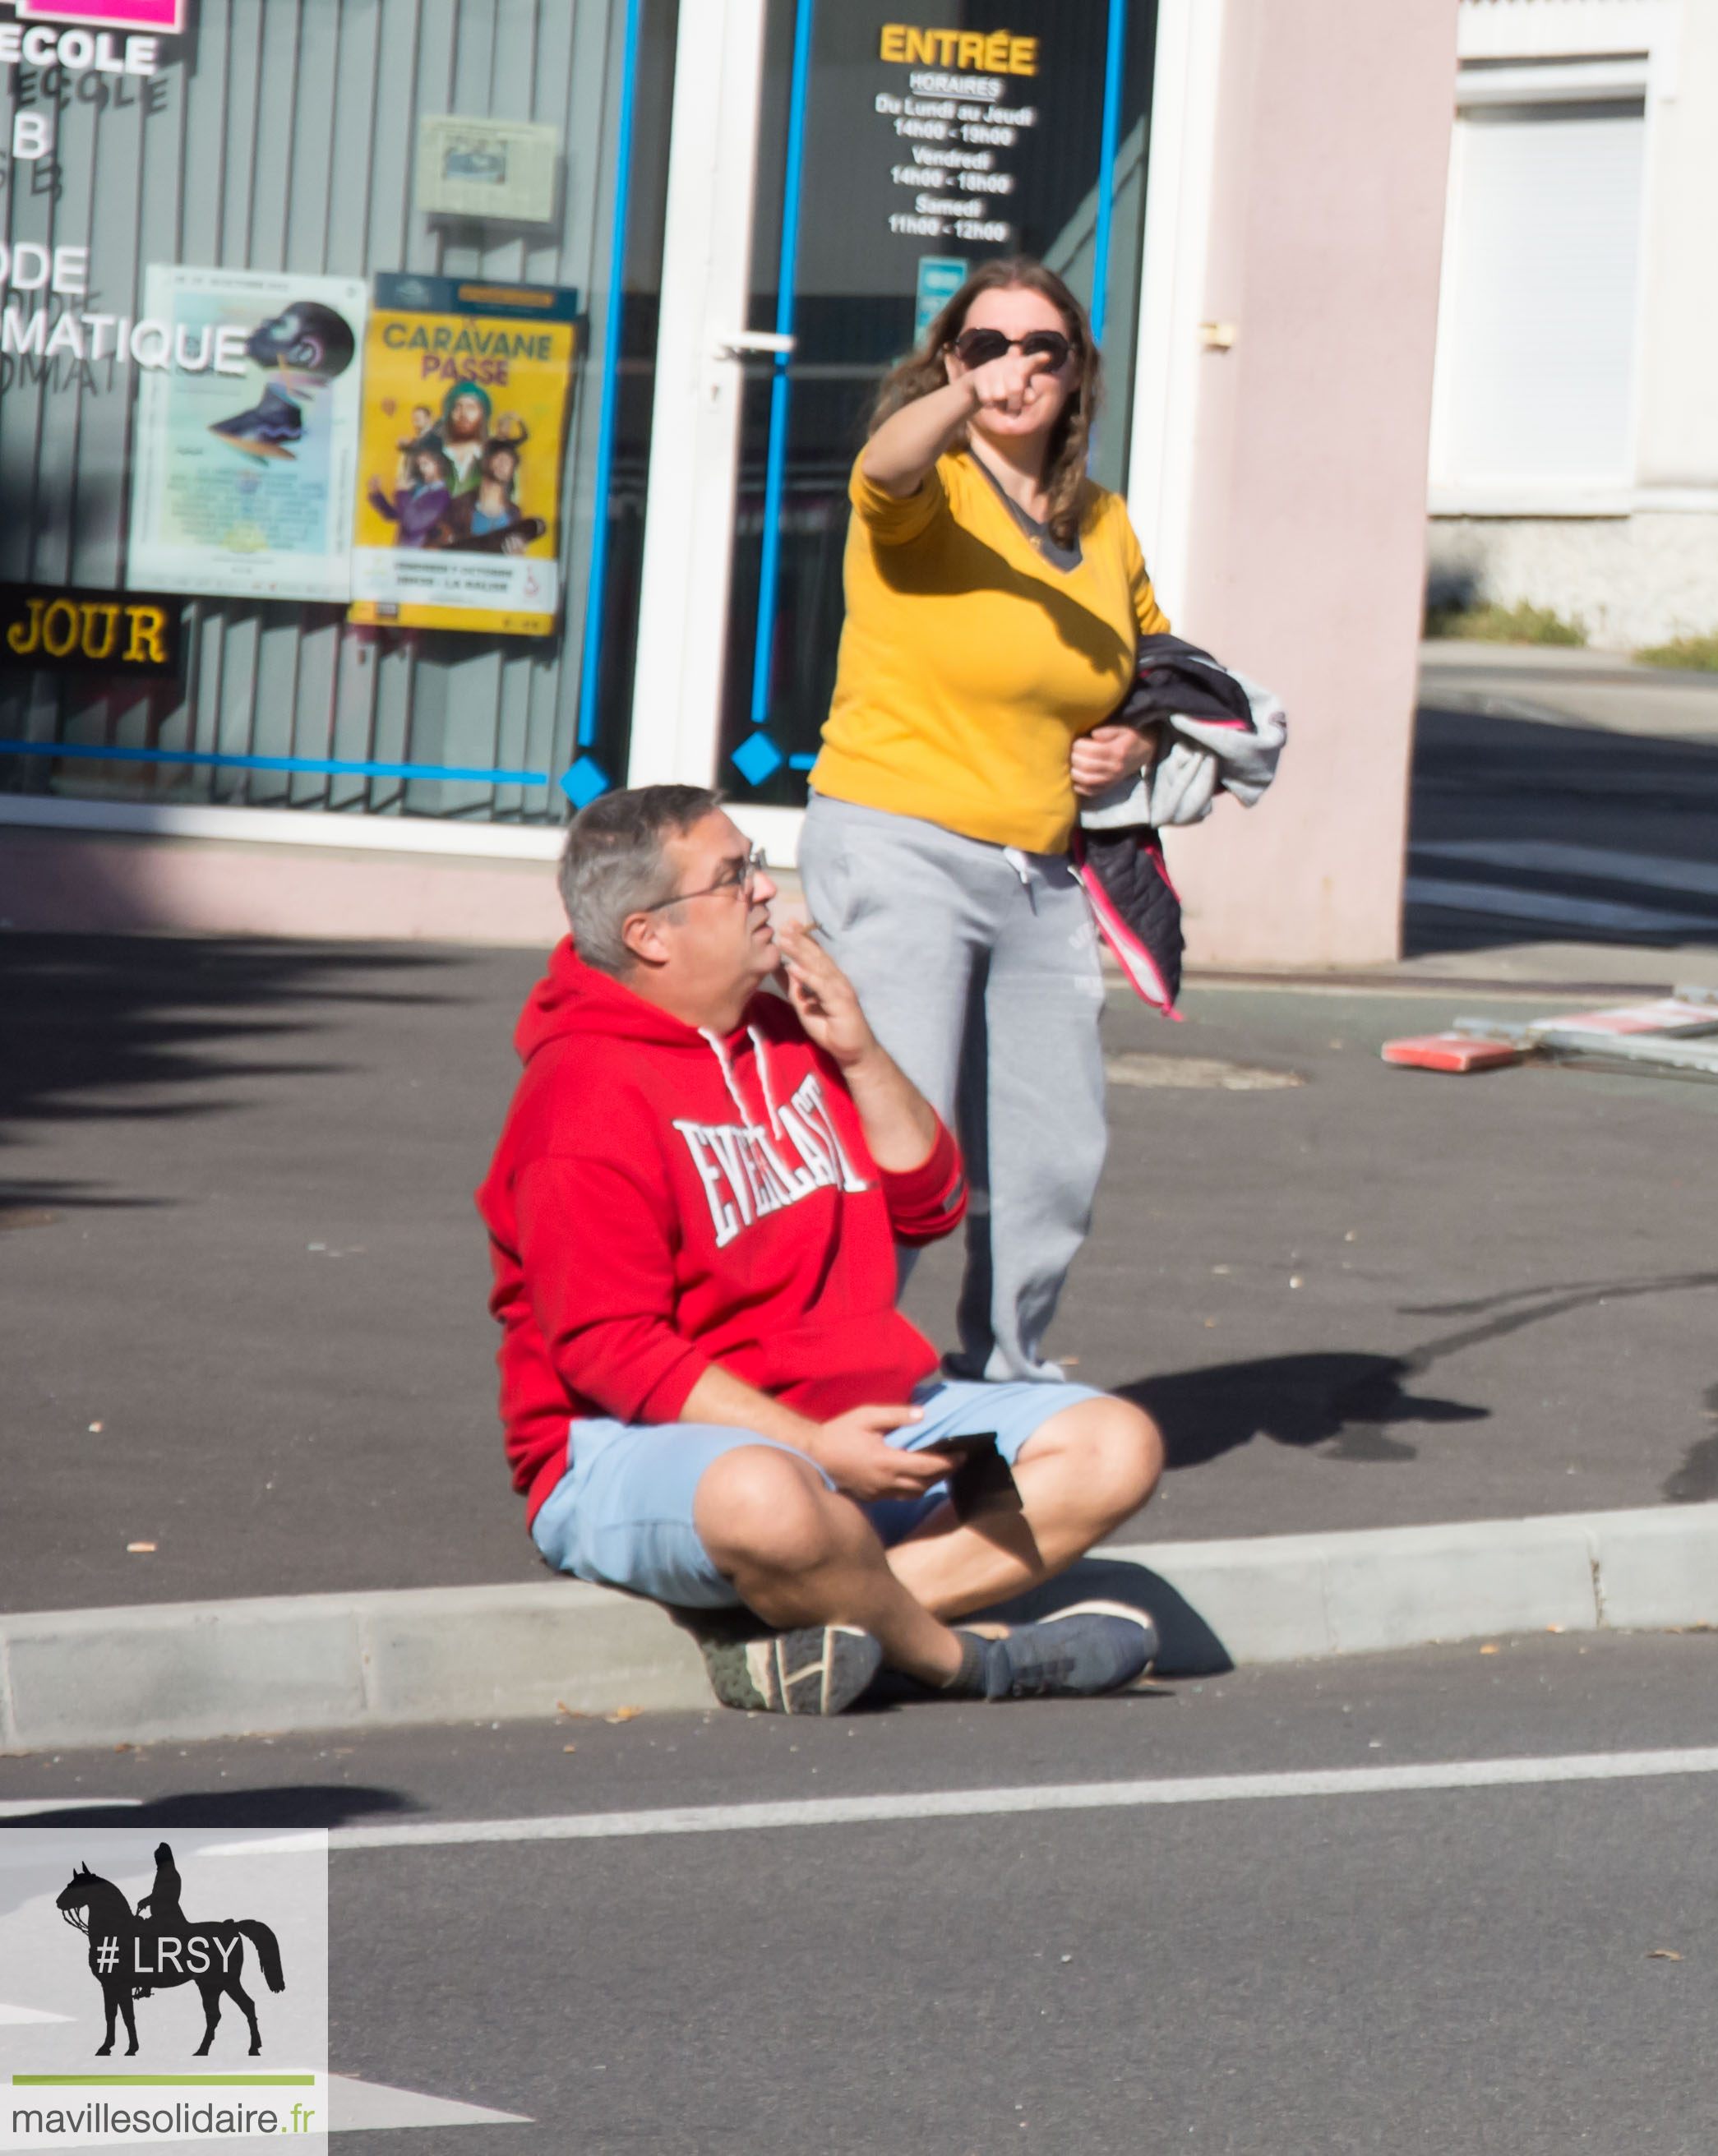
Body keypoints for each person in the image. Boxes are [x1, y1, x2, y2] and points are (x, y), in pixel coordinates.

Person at [480, 785, 1169, 1715]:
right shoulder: (580, 1094)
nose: (766, 891)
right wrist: (812, 1450)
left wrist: (858, 1051)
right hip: (647, 1452)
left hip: (861, 1429)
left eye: (755, 865)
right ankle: (966, 1662)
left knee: (1114, 1444)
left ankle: (830, 1620)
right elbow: (610, 1346)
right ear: (650, 935)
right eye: (733, 878)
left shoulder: (784, 1034)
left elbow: (928, 1204)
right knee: (770, 1497)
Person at [801, 258, 1176, 1384]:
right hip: (900, 839)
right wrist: (966, 393)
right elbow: (882, 464)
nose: (1017, 368)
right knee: (895, 1134)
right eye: (985, 345)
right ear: (946, 363)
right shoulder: (932, 486)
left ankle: (1005, 1374)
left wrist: (1137, 742)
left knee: (1048, 1149)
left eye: (1042, 349)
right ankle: (833, 1371)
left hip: (1041, 869)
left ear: (1077, 375)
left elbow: (1158, 671)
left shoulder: (1100, 520)